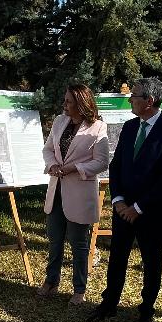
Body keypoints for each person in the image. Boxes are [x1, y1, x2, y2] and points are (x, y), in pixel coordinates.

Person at [87, 78, 162, 322]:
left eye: (134, 96)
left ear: (149, 101)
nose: (130, 100)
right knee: (117, 257)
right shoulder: (130, 127)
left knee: (151, 261)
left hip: (152, 211)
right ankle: (109, 303)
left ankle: (146, 310)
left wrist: (138, 207)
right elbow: (117, 164)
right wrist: (118, 200)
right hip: (123, 209)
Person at [39, 83, 110, 305]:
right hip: (57, 190)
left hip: (79, 192)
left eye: (69, 101)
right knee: (54, 240)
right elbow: (48, 149)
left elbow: (101, 162)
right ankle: (51, 282)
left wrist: (75, 168)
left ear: (81, 104)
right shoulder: (60, 121)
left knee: (79, 243)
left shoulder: (98, 127)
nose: (64, 105)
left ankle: (79, 289)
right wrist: (52, 166)